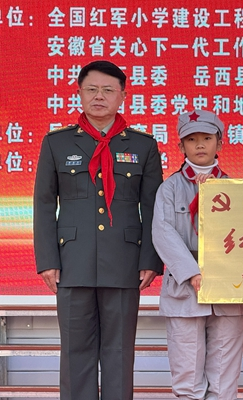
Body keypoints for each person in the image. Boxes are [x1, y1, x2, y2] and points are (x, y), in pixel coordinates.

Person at [33, 60, 164, 399]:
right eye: (91, 89)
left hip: (124, 262)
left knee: (119, 353)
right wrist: (47, 260)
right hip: (72, 262)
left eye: (108, 90)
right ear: (79, 93)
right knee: (75, 354)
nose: (99, 97)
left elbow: (153, 208)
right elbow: (44, 204)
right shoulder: (57, 143)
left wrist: (150, 259)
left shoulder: (143, 146)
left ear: (123, 96)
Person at [152, 110, 243, 399]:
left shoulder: (236, 188)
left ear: (220, 143)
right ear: (181, 146)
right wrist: (191, 271)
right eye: (192, 140)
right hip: (185, 287)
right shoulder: (169, 188)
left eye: (207, 138)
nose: (200, 145)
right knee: (187, 377)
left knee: (224, 378)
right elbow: (163, 232)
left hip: (227, 287)